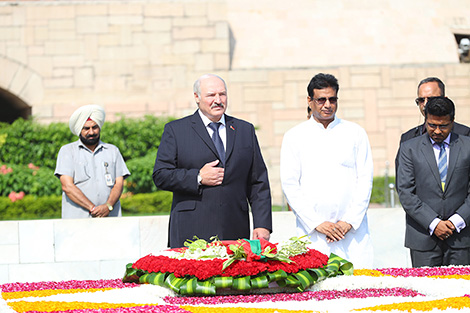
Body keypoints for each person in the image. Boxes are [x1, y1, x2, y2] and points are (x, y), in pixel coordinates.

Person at [153, 74, 272, 248]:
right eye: (211, 95)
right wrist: (198, 177)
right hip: (191, 230)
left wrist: (263, 224)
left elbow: (258, 181)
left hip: (235, 228)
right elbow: (161, 175)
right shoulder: (176, 130)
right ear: (197, 97)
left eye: (222, 94)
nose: (218, 100)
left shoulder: (244, 130)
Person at [280, 73, 374, 268]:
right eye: (321, 99)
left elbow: (365, 180)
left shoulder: (355, 132)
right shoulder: (294, 136)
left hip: (352, 234)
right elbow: (290, 185)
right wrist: (316, 223)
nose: (327, 105)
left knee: (360, 289)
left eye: (332, 99)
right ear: (310, 101)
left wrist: (349, 221)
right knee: (316, 290)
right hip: (313, 234)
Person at [396, 96, 470, 267]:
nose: (437, 131)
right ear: (425, 120)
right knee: (425, 292)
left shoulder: (467, 146)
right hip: (423, 239)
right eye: (432, 125)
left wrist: (455, 221)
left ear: (452, 121)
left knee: (461, 291)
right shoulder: (409, 148)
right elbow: (406, 192)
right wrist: (434, 223)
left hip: (462, 239)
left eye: (443, 126)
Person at [55, 105, 130, 218]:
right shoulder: (67, 151)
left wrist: (108, 206)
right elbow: (67, 186)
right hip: (77, 221)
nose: (91, 132)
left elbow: (119, 183)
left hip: (110, 218)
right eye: (86, 128)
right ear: (79, 129)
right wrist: (93, 209)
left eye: (95, 127)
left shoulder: (112, 151)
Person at [400, 77, 470, 143]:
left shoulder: (465, 134)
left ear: (444, 99)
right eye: (421, 100)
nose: (425, 104)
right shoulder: (408, 138)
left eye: (431, 99)